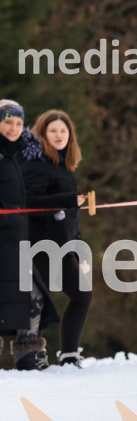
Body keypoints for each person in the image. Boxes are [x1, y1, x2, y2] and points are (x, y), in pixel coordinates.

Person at [21, 110, 92, 367]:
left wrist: (79, 247)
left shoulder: (65, 167)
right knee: (50, 299)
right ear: (42, 134)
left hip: (62, 244)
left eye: (63, 131)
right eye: (53, 131)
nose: (59, 135)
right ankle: (32, 355)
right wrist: (66, 201)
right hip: (40, 244)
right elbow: (30, 202)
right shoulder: (36, 164)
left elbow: (70, 214)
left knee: (81, 294)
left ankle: (69, 354)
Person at [0, 99, 58, 370]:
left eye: (18, 123)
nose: (13, 128)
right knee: (24, 295)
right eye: (7, 122)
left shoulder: (15, 154)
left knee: (31, 296)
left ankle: (28, 358)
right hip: (4, 239)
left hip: (16, 239)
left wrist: (67, 201)